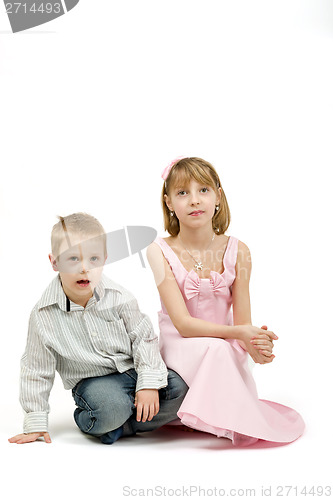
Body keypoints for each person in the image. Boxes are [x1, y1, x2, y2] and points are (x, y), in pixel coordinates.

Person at [147, 157, 305, 446]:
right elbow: (183, 325)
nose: (194, 201)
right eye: (182, 193)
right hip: (181, 343)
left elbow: (242, 322)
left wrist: (255, 343)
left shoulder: (239, 250)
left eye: (203, 190)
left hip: (224, 343)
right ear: (169, 202)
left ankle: (216, 417)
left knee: (224, 350)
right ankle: (214, 418)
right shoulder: (158, 251)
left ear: (218, 195)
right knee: (217, 349)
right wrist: (238, 334)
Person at [8, 212, 188, 445]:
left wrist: (149, 384)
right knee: (109, 407)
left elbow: (144, 339)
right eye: (73, 259)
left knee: (181, 390)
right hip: (94, 383)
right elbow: (36, 369)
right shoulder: (43, 315)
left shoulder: (120, 298)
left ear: (104, 259)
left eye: (93, 259)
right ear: (54, 262)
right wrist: (35, 421)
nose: (84, 268)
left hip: (133, 371)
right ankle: (100, 421)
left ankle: (123, 426)